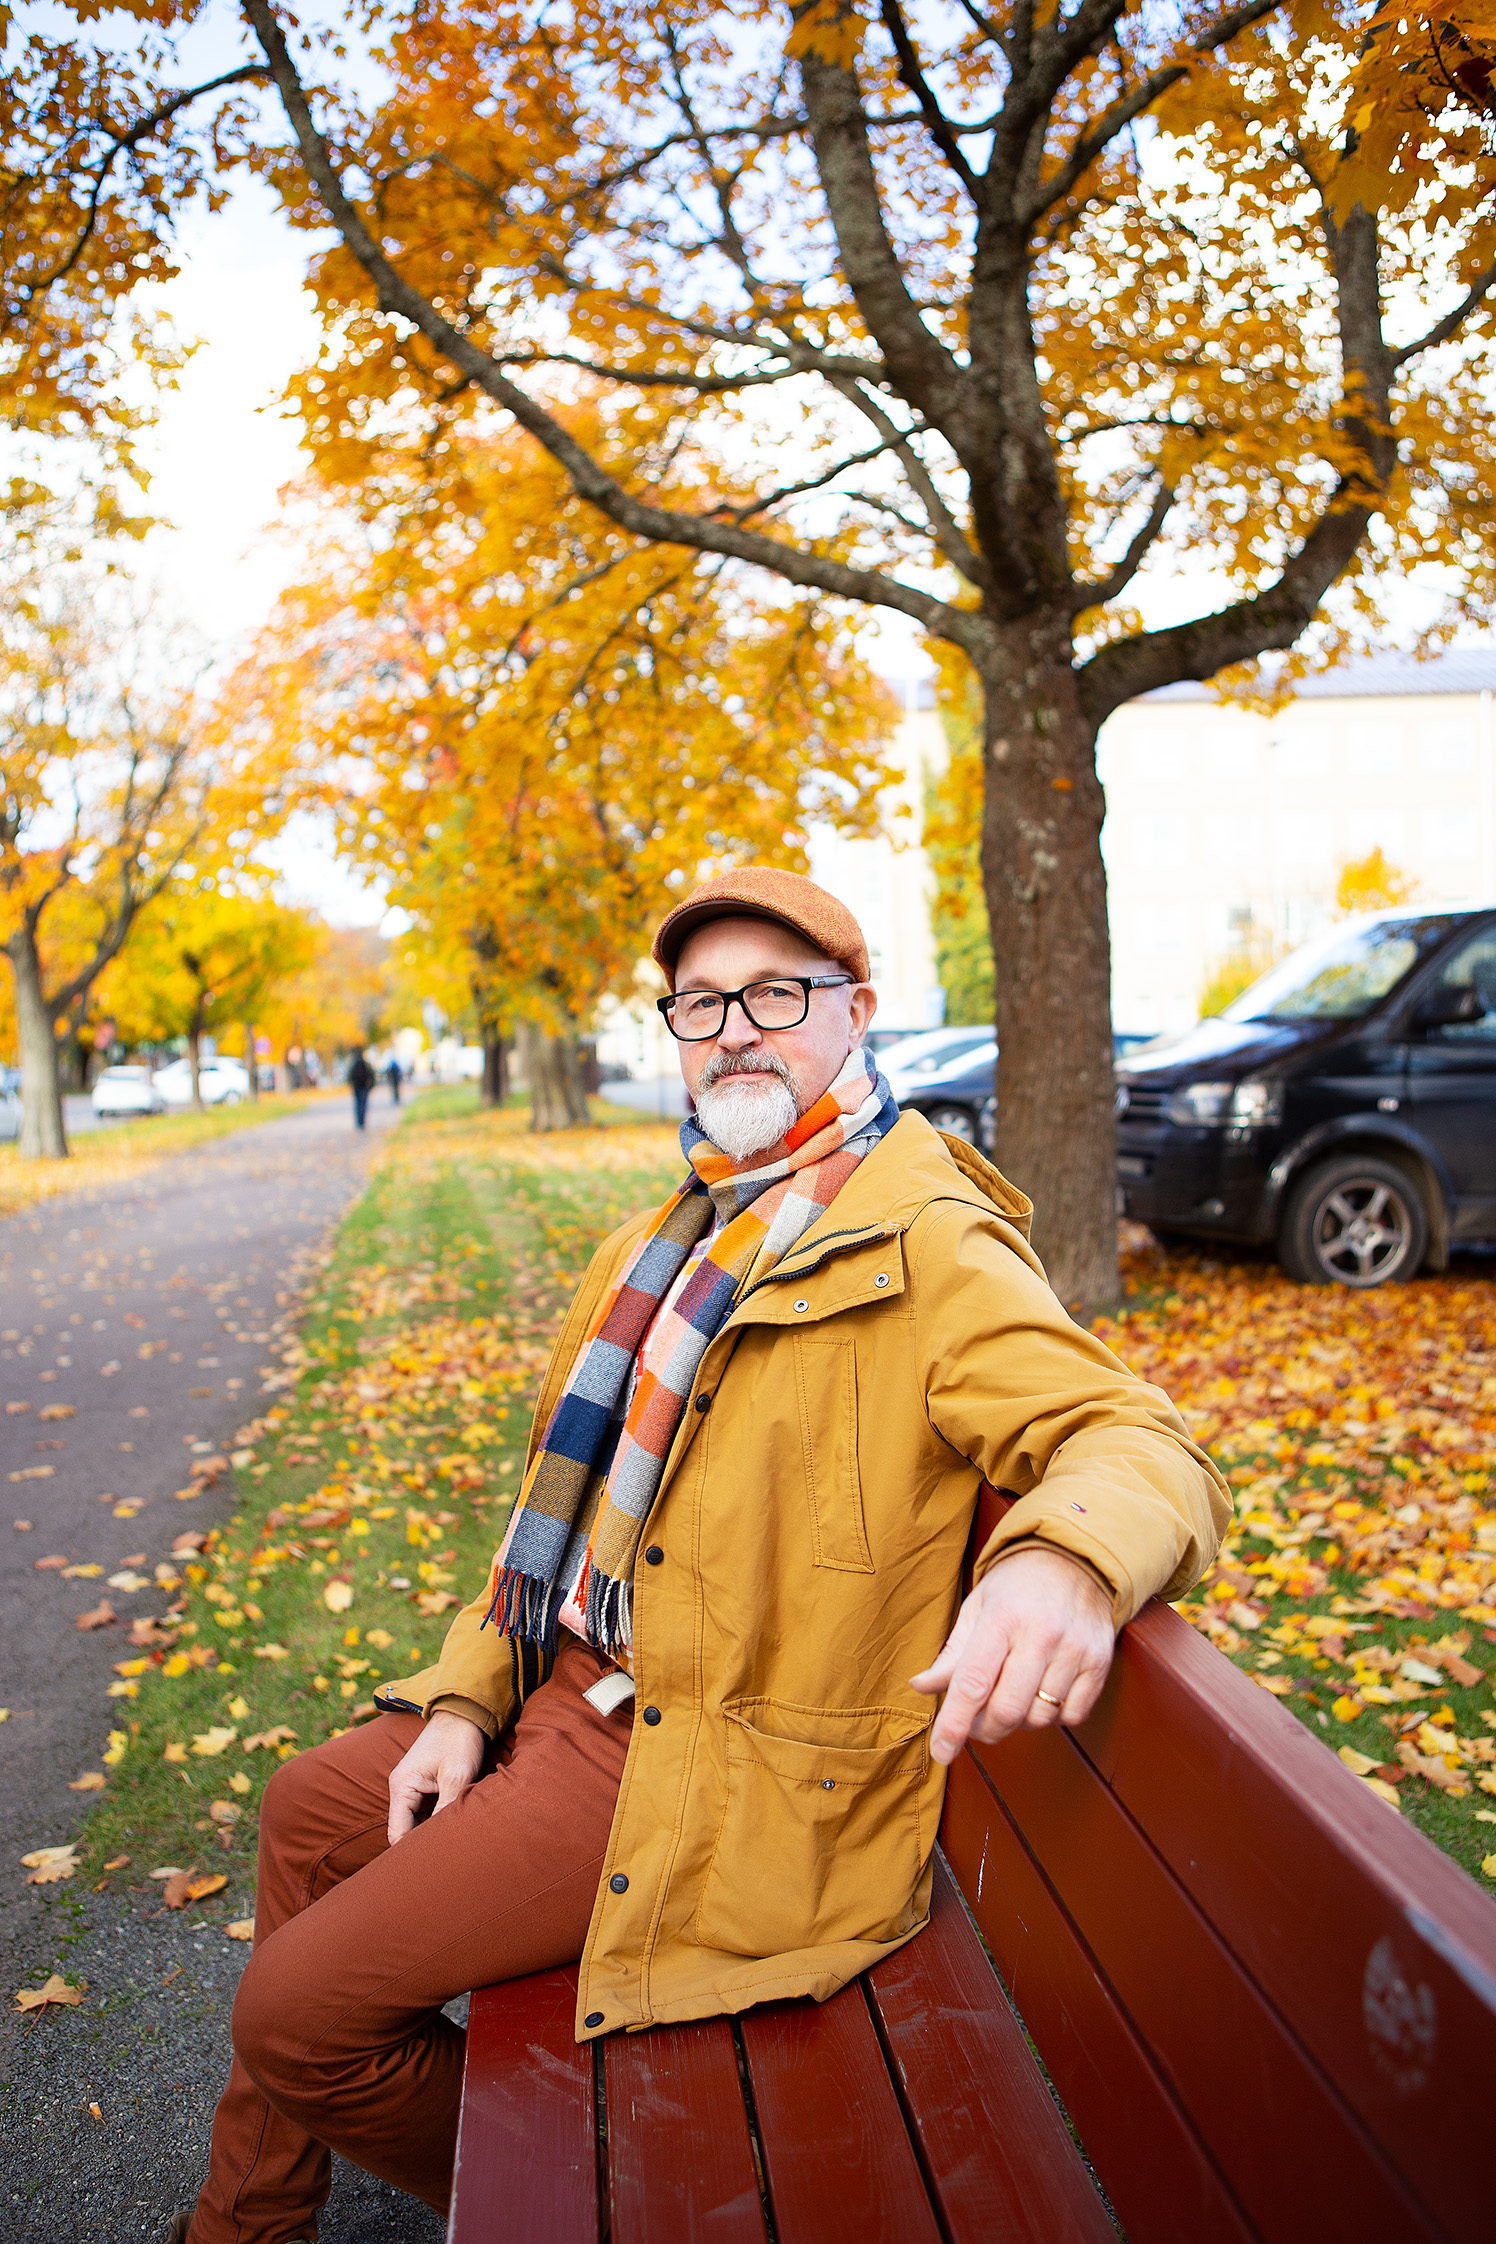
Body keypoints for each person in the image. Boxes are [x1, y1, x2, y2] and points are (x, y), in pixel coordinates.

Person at [170, 868, 1228, 2244]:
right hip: (582, 1690)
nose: (735, 1030)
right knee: (309, 1810)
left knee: (296, 2017)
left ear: (856, 1015)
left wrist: (1063, 1562)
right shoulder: (666, 1237)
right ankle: (240, 2227)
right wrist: (458, 1702)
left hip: (705, 1762)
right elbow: (548, 1527)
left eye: (776, 996)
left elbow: (1139, 1441)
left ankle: (571, 2209)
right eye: (704, 1002)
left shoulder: (929, 1242)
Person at [348, 1048, 374, 1131]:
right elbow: (371, 1075)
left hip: (357, 1087)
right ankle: (362, 1122)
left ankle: (359, 1122)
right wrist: (371, 1086)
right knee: (363, 1104)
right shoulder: (366, 1064)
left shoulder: (353, 1065)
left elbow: (350, 1077)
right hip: (364, 1087)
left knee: (358, 1104)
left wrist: (351, 1085)